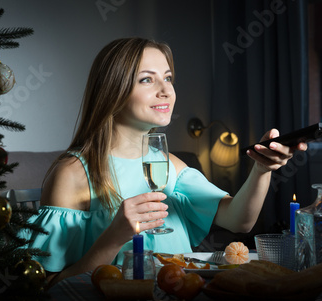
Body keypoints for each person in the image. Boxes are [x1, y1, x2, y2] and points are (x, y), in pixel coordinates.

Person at [22, 37, 307, 285]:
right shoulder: (72, 174)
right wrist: (115, 235)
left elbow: (240, 220)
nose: (166, 90)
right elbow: (50, 287)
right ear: (113, 91)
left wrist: (262, 169)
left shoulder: (172, 166)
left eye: (168, 78)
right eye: (147, 79)